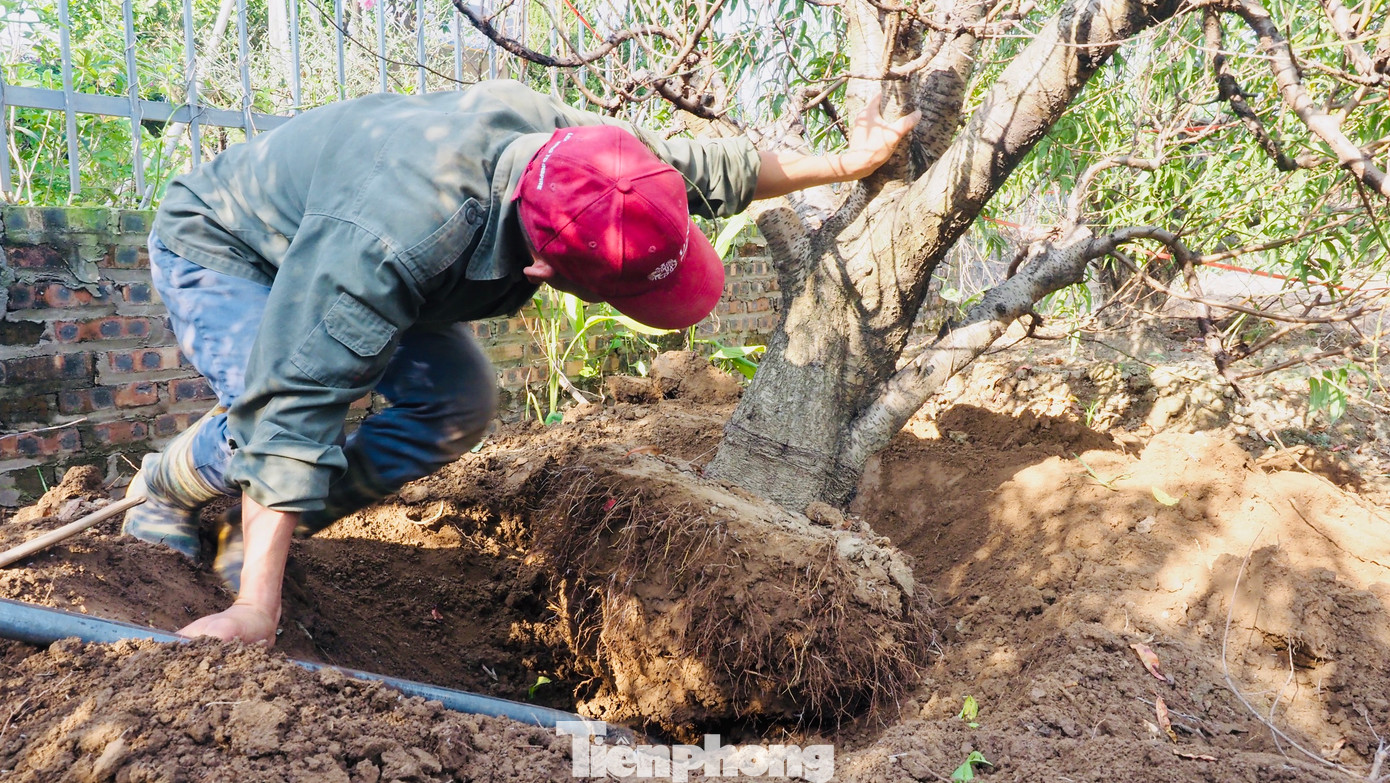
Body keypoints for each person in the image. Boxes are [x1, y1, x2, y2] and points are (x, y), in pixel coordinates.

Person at [124, 79, 918, 646]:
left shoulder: (594, 165)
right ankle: (166, 484)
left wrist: (847, 164)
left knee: (459, 402)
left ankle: (246, 534)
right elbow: (293, 407)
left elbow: (711, 169)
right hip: (233, 248)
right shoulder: (389, 243)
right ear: (544, 274)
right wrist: (256, 612)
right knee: (285, 414)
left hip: (367, 250)